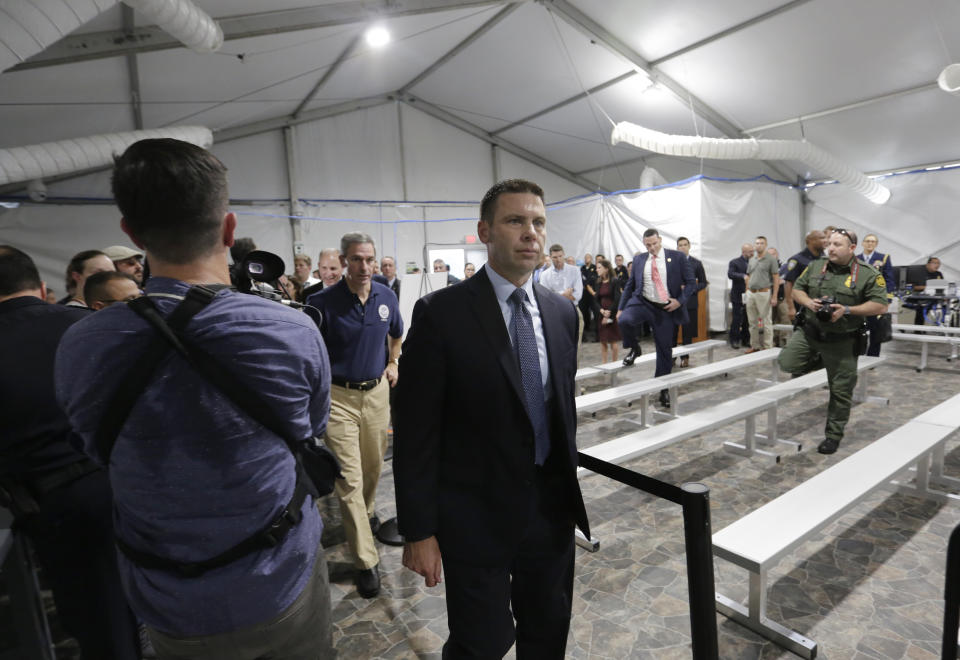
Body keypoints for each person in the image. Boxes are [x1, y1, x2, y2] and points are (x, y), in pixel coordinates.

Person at [55, 138, 333, 658]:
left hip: (168, 597)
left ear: (131, 235)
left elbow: (95, 449)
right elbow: (308, 429)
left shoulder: (82, 345)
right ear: (228, 228)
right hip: (277, 580)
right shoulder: (290, 332)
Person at [394, 179, 589, 659]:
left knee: (547, 632)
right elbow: (416, 430)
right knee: (480, 643)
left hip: (548, 508)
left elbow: (559, 411)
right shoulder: (442, 313)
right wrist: (418, 530)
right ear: (485, 231)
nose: (531, 233)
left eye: (538, 222)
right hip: (474, 514)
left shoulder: (562, 315)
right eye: (515, 221)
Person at [0, 245, 140, 660]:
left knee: (102, 623)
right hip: (126, 479)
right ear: (42, 287)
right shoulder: (86, 325)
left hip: (54, 505)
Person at [306, 232, 402, 599]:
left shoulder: (386, 296)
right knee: (348, 479)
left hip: (377, 394)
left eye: (370, 259)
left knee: (374, 466)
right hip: (339, 399)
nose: (364, 267)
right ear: (345, 262)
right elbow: (311, 352)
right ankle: (366, 561)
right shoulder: (322, 303)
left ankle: (367, 512)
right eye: (357, 259)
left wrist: (394, 361)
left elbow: (396, 335)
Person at [777, 228, 888, 455]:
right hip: (810, 334)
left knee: (840, 391)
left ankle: (833, 436)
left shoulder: (868, 273)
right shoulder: (816, 266)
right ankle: (822, 361)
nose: (831, 248)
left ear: (851, 248)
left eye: (837, 244)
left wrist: (847, 309)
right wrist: (808, 303)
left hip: (843, 342)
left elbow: (880, 305)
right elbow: (797, 288)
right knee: (787, 364)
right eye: (830, 244)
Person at [617, 228, 696, 407]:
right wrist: (621, 308)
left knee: (664, 351)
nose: (652, 248)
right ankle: (635, 348)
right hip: (643, 302)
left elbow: (691, 283)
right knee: (624, 321)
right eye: (648, 245)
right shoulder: (639, 259)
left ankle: (663, 389)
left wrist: (679, 301)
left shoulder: (677, 257)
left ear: (660, 240)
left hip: (665, 308)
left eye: (654, 244)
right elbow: (630, 285)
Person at [857, 233, 895, 355]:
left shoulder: (883, 258)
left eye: (873, 241)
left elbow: (889, 279)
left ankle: (872, 357)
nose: (870, 243)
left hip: (876, 299)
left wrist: (888, 300)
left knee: (876, 330)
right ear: (862, 243)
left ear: (876, 244)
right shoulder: (855, 258)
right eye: (867, 241)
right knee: (858, 329)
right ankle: (859, 354)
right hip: (859, 300)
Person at [673, 237, 708, 366]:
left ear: (689, 246)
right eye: (680, 245)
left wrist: (691, 289)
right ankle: (672, 356)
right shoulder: (672, 262)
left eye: (685, 245)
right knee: (673, 332)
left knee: (687, 332)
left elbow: (703, 283)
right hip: (674, 301)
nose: (682, 247)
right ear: (677, 248)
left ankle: (685, 357)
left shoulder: (696, 263)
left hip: (690, 302)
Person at [539, 243, 584, 343]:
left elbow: (577, 295)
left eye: (560, 256)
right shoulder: (545, 275)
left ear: (564, 254)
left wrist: (554, 295)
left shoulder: (575, 271)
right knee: (558, 345)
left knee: (576, 345)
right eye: (555, 257)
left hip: (573, 310)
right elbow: (545, 298)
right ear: (550, 257)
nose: (558, 259)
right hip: (554, 313)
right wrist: (564, 294)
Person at [744, 236, 779, 352]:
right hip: (751, 294)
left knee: (766, 322)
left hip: (764, 293)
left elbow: (776, 278)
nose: (759, 245)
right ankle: (754, 346)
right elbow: (748, 276)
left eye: (761, 243)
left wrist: (774, 296)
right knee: (752, 322)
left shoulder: (771, 260)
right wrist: (746, 290)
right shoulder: (752, 259)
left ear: (766, 245)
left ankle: (768, 347)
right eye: (757, 243)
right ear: (754, 245)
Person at [781, 230, 825, 321]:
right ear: (810, 241)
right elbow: (788, 284)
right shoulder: (797, 260)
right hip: (801, 305)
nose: (825, 241)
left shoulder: (825, 258)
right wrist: (791, 307)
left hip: (820, 304)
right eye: (821, 238)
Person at [592, 257, 622, 363]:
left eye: (599, 268)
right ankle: (604, 364)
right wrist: (601, 311)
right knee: (603, 341)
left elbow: (618, 298)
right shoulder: (598, 282)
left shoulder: (614, 281)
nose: (597, 270)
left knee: (613, 341)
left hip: (612, 314)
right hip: (602, 314)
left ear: (606, 269)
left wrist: (608, 312)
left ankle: (614, 364)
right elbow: (595, 300)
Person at [727, 243, 753, 348]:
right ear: (744, 252)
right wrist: (743, 276)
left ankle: (746, 339)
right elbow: (730, 274)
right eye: (750, 251)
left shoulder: (755, 262)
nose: (752, 253)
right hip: (738, 294)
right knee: (737, 318)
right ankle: (734, 339)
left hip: (751, 294)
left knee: (748, 318)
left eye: (753, 251)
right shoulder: (735, 262)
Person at [766, 247, 791, 347]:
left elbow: (786, 279)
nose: (771, 256)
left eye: (773, 254)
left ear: (777, 255)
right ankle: (773, 340)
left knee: (785, 319)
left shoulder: (785, 267)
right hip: (768, 298)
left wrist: (777, 281)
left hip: (782, 297)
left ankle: (784, 341)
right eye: (769, 254)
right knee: (770, 319)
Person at [580, 253, 597, 340]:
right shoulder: (582, 268)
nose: (587, 259)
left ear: (591, 259)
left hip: (592, 293)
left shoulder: (594, 267)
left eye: (588, 258)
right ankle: (585, 329)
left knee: (595, 311)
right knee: (583, 311)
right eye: (585, 258)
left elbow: (593, 278)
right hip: (584, 293)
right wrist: (585, 284)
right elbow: (581, 279)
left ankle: (597, 333)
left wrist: (587, 284)